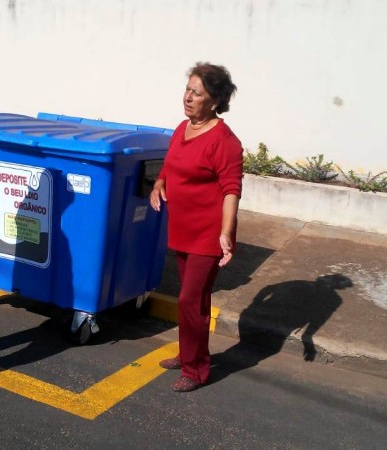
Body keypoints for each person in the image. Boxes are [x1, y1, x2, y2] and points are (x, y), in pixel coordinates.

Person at [150, 62, 243, 392]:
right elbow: (171, 163)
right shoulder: (182, 128)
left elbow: (232, 190)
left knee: (191, 300)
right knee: (192, 299)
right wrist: (159, 182)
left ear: (215, 100)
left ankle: (196, 370)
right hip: (182, 228)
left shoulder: (225, 141)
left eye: (196, 93)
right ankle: (188, 352)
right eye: (187, 90)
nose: (187, 97)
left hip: (207, 233)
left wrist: (226, 233)